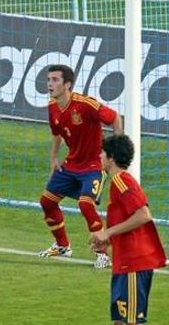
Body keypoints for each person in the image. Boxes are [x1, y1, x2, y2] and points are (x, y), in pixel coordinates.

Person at [38, 64, 122, 269]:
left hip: (94, 165)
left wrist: (116, 152)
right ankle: (62, 246)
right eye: (49, 80)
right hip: (70, 165)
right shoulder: (52, 107)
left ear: (67, 84)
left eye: (55, 80)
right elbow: (57, 133)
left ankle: (102, 254)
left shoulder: (85, 105)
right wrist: (54, 158)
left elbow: (115, 118)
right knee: (47, 202)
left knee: (85, 204)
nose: (50, 84)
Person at [90, 134, 165, 325]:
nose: (99, 156)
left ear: (112, 158)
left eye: (102, 152)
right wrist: (107, 243)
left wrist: (107, 232)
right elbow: (127, 221)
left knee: (130, 322)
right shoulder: (117, 183)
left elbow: (143, 214)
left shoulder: (122, 181)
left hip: (134, 264)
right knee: (120, 321)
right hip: (124, 263)